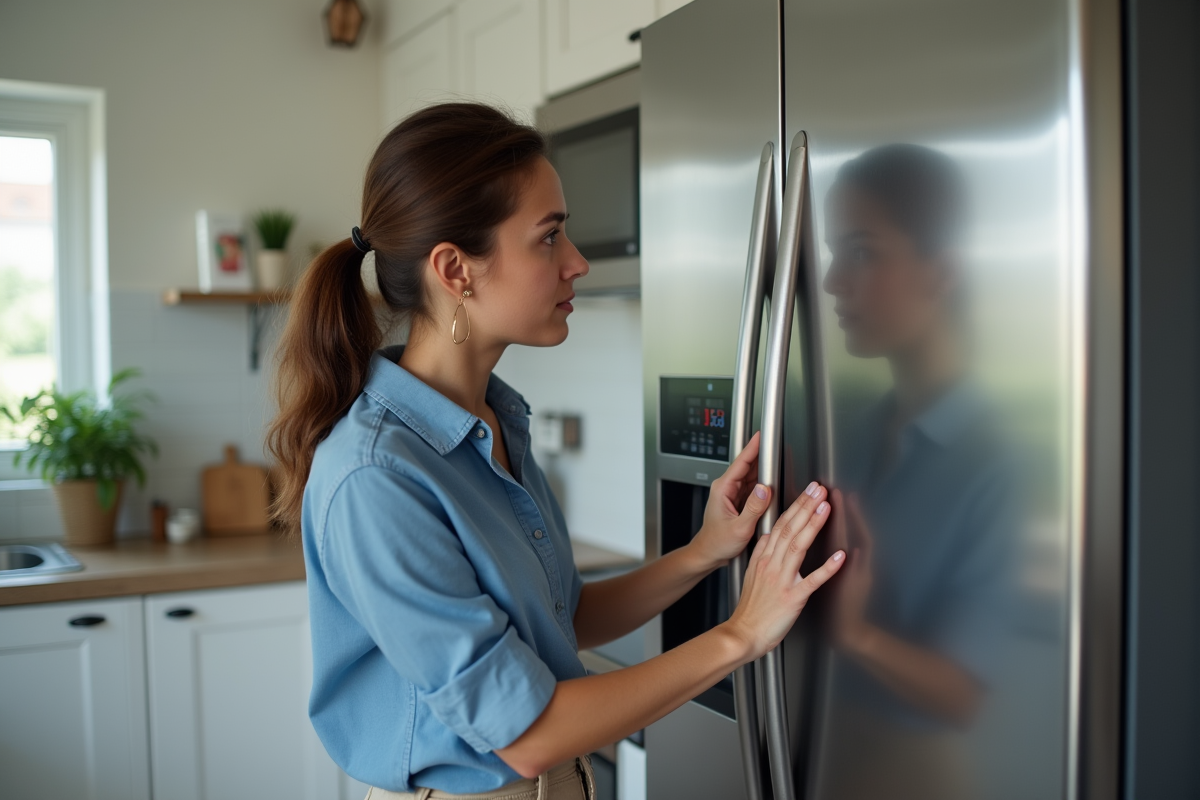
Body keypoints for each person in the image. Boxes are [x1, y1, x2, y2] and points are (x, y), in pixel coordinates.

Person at [266, 103, 845, 800]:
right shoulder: (377, 476)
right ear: (456, 270)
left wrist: (706, 551)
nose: (577, 263)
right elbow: (528, 731)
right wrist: (741, 636)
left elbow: (561, 615)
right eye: (549, 238)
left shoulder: (490, 419)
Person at [815, 144, 1019, 800]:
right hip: (819, 751)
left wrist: (855, 633)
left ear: (943, 272)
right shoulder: (855, 427)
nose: (831, 281)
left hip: (913, 776)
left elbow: (964, 697)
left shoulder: (997, 459)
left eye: (863, 251)